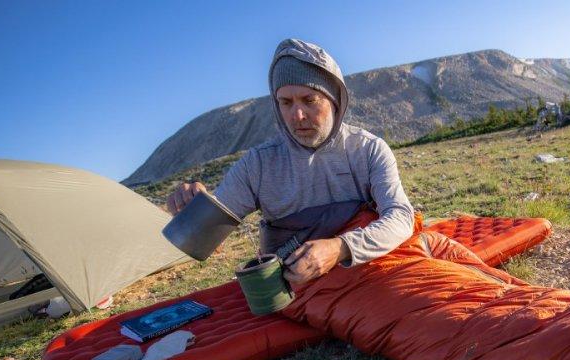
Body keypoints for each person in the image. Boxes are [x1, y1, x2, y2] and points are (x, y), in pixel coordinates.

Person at [166, 38, 414, 285]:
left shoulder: (367, 149)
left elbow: (401, 217)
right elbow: (206, 231)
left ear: (335, 101)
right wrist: (191, 207)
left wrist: (340, 248)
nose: (297, 115)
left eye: (309, 100)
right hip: (295, 285)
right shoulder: (258, 165)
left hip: (363, 270)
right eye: (286, 103)